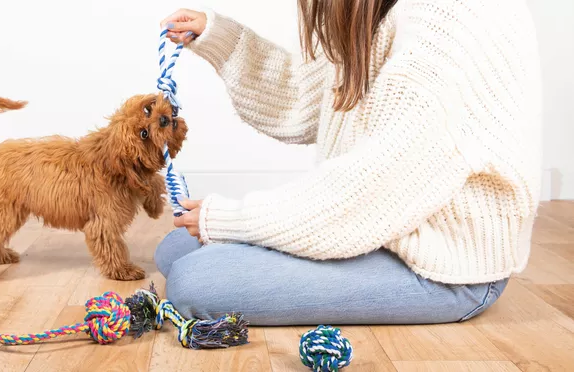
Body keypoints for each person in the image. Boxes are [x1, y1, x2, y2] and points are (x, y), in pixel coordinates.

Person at [153, 0, 542, 325]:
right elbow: (307, 100)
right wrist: (220, 39)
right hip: (385, 226)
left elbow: (371, 191)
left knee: (194, 281)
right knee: (175, 250)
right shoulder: (390, 9)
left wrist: (231, 219)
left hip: (447, 269)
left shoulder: (454, 20)